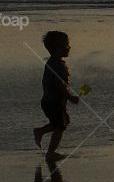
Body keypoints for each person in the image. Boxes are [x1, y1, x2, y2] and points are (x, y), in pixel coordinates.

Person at [33, 30, 80, 167]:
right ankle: (50, 152)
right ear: (58, 48)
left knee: (62, 122)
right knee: (60, 127)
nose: (69, 47)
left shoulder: (53, 63)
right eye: (66, 45)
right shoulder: (58, 66)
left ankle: (41, 132)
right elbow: (60, 86)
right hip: (53, 102)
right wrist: (71, 98)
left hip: (50, 102)